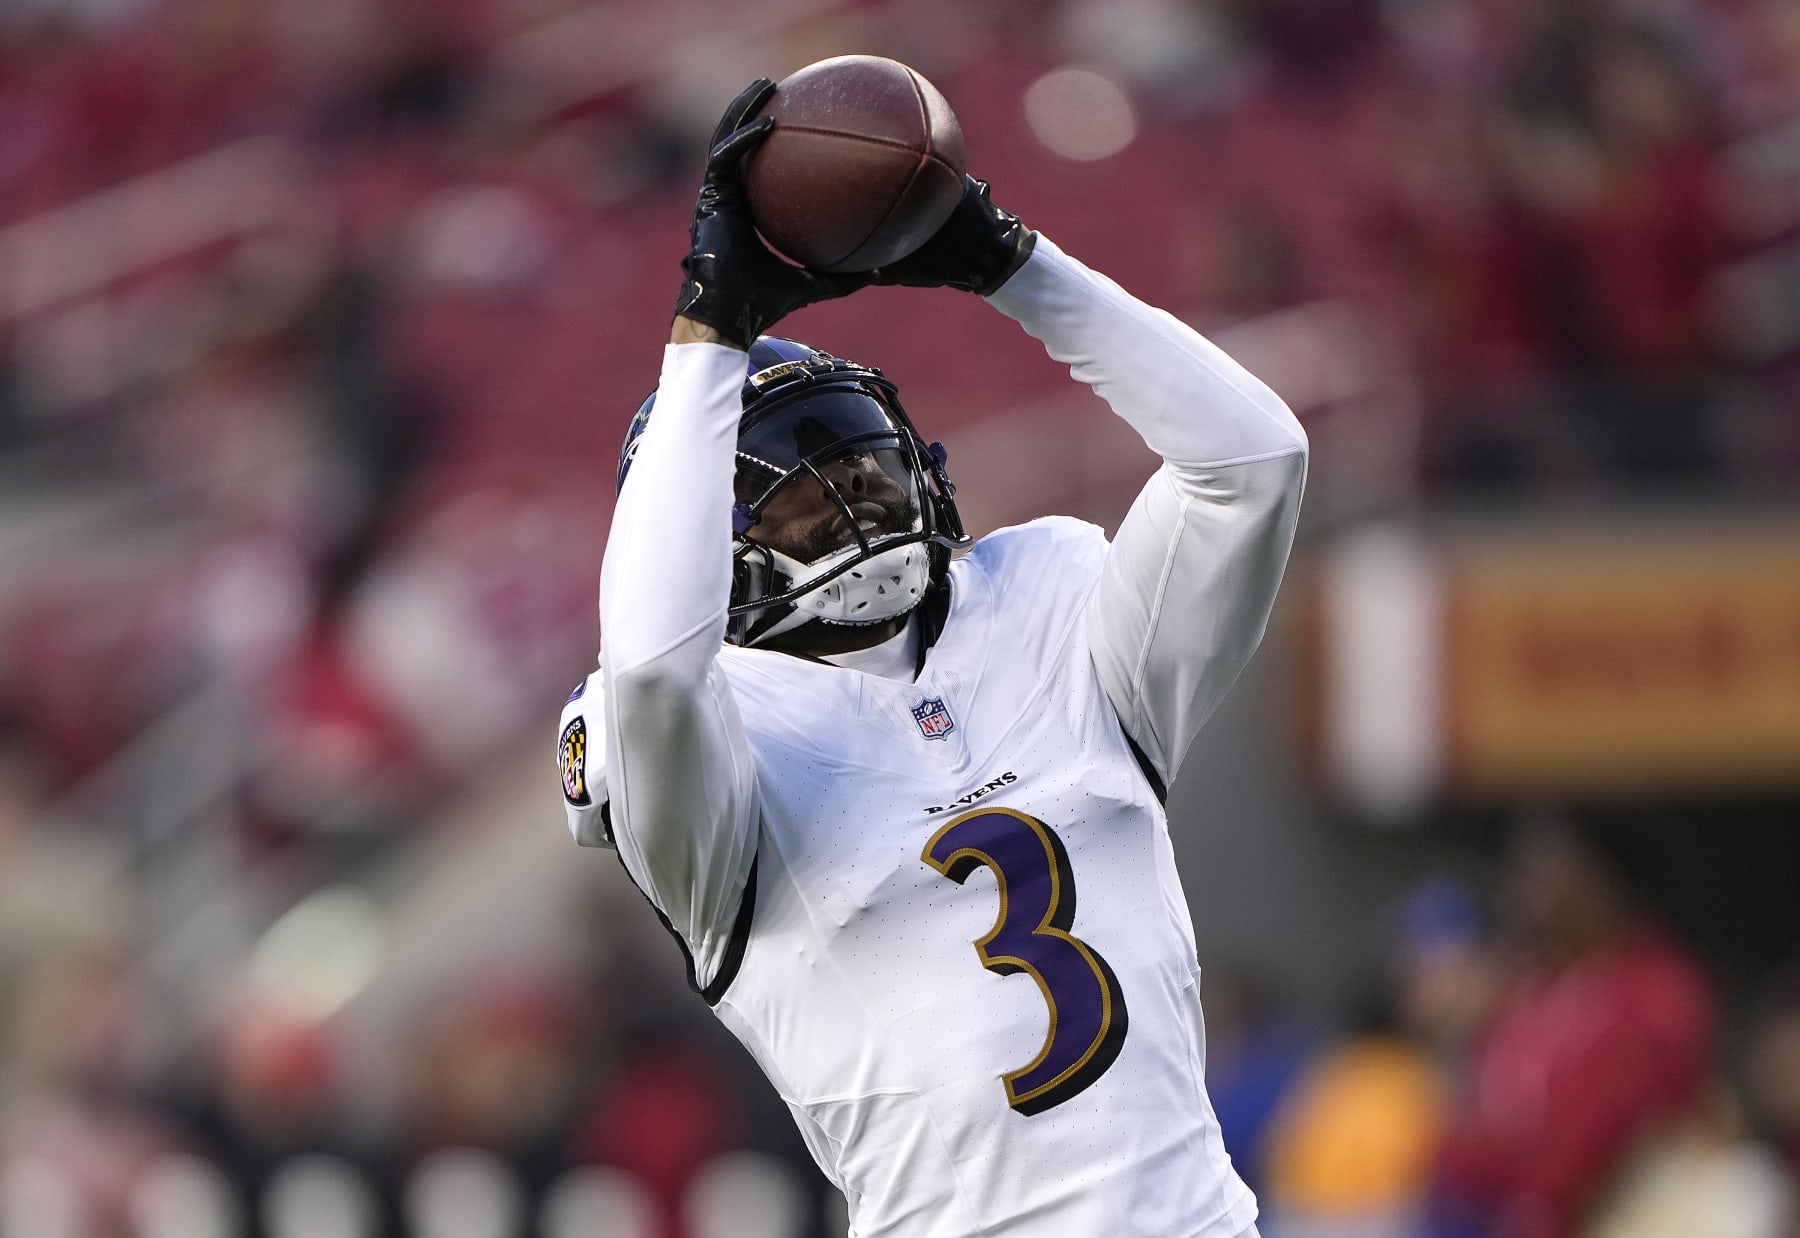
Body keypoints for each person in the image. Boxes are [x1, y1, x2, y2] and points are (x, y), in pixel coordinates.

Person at [558, 78, 1308, 1238]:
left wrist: (1007, 261)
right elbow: (657, 667)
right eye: (802, 493)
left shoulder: (1044, 605)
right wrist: (709, 327)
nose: (856, 499)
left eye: (861, 464)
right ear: (712, 545)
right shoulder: (716, 746)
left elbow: (1253, 463)